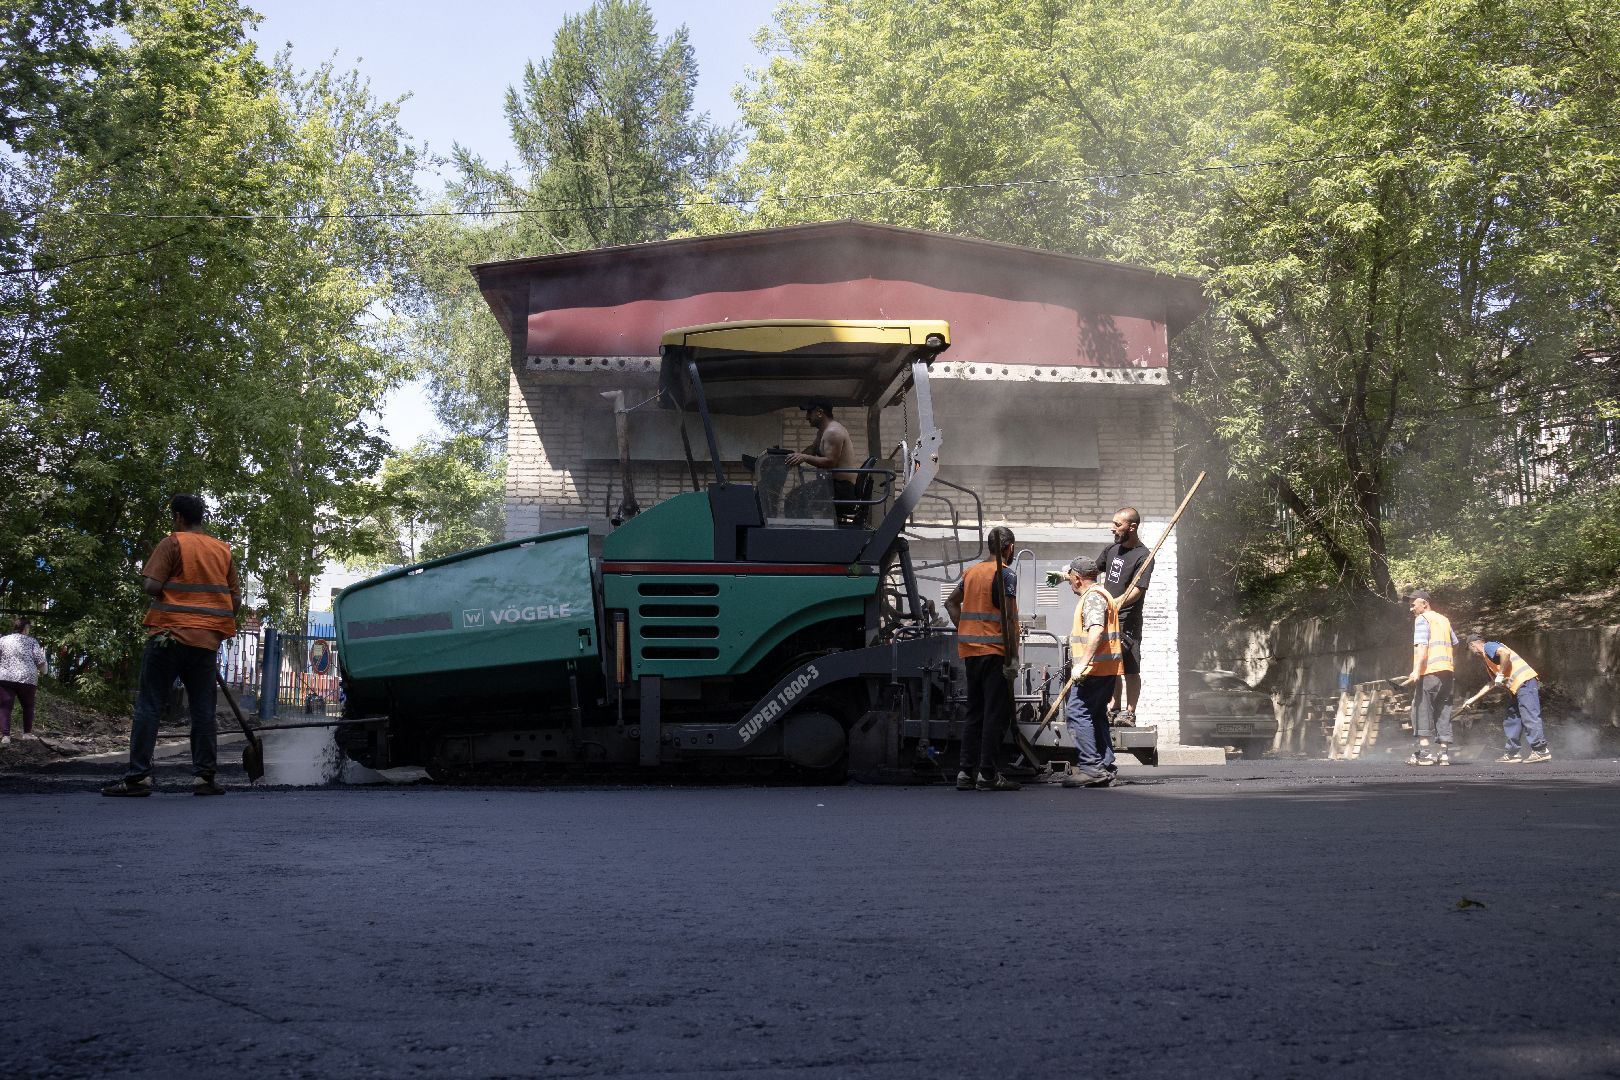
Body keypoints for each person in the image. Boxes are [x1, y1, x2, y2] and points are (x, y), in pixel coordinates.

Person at [103, 494, 242, 797]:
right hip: (205, 642)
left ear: (178, 517)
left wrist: (168, 589)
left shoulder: (172, 543)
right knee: (203, 710)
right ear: (200, 518)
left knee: (150, 705)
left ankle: (138, 778)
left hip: (168, 637)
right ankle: (205, 778)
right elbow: (235, 599)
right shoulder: (222, 550)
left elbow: (151, 585)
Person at [945, 526, 1021, 791]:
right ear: (1009, 547)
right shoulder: (1006, 574)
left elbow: (950, 603)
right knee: (994, 714)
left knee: (975, 713)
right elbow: (1009, 618)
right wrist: (1013, 657)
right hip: (995, 653)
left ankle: (965, 773)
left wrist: (965, 630)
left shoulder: (971, 572)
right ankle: (987, 775)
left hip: (971, 652)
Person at [1059, 556, 1123, 788]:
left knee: (1077, 712)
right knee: (1095, 715)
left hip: (1093, 670)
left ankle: (1091, 768)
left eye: (1070, 578)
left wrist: (1082, 664)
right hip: (1104, 669)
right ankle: (1105, 767)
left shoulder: (1093, 597)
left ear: (1078, 578)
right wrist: (1062, 575)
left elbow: (1095, 631)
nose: (1069, 581)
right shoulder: (1100, 593)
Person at [1097, 507, 1152, 724]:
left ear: (1132, 527)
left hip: (1129, 620)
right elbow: (1093, 570)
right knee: (1112, 666)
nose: (1113, 528)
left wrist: (1117, 603)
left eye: (1117, 524)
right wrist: (1068, 575)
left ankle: (1130, 713)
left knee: (1130, 667)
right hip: (1109, 618)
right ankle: (1114, 708)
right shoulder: (1112, 550)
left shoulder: (1144, 556)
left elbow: (1138, 590)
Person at [1466, 634, 1552, 764]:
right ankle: (1512, 753)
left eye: (1470, 649)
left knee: (1529, 716)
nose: (1472, 652)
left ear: (1472, 645)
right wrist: (1472, 700)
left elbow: (1505, 653)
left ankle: (1541, 750)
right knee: (1512, 719)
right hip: (1517, 688)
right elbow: (1492, 683)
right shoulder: (1488, 659)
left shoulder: (1488, 647)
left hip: (1525, 682)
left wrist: (1500, 674)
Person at [1406, 591, 1457, 767]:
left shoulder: (1422, 619)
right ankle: (1444, 754)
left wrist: (1416, 670)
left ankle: (1425, 753)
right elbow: (1455, 643)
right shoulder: (1444, 619)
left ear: (1425, 604)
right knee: (1443, 709)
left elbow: (1422, 646)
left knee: (1421, 708)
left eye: (1413, 605)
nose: (1411, 608)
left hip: (1429, 672)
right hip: (1447, 672)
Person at [785, 401, 859, 511]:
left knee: (794, 499)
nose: (807, 417)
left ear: (820, 412)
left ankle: (804, 523)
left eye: (809, 412)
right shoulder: (822, 432)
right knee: (794, 497)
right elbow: (813, 448)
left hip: (842, 489)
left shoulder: (833, 431)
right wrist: (795, 457)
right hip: (832, 485)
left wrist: (804, 458)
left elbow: (830, 462)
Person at [0, 616, 49, 747]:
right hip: (27, 678)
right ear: (25, 628)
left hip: (6, 677)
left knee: (5, 706)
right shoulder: (32, 641)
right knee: (28, 706)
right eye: (28, 628)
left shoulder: (3, 640)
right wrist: (44, 671)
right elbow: (40, 661)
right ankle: (27, 733)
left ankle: (5, 736)